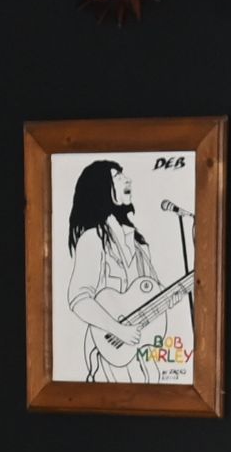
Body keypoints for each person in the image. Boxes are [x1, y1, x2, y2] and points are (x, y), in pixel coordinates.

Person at [62, 160, 183, 382]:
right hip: (108, 358)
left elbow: (152, 291)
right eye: (118, 177)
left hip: (142, 359)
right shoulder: (92, 239)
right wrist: (118, 330)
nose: (128, 180)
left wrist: (170, 296)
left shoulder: (138, 244)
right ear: (101, 189)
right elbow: (78, 299)